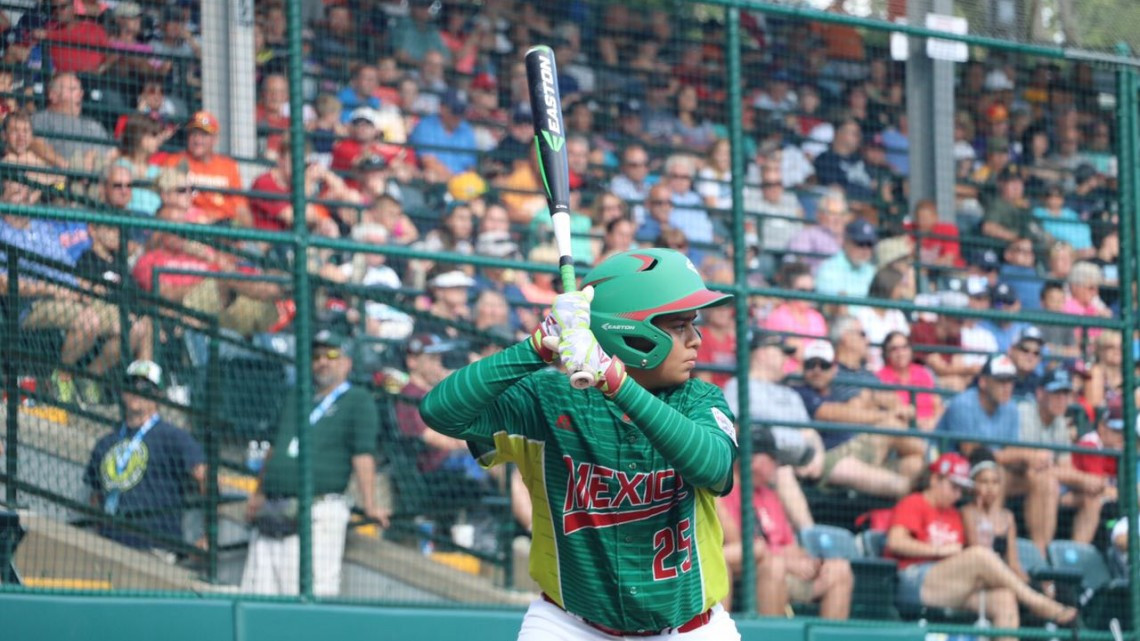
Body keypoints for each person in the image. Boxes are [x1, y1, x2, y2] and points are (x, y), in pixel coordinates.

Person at [420, 248, 742, 639]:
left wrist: (617, 382)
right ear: (632, 333)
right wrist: (538, 345)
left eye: (694, 324)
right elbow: (440, 411)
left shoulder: (700, 400)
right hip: (569, 624)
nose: (696, 340)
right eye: (678, 326)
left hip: (690, 628)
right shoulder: (547, 399)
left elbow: (713, 467)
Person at [241, 330, 388, 596]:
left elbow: (363, 455)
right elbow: (275, 448)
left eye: (332, 355)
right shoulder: (296, 396)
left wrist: (370, 504)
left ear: (347, 363)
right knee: (259, 596)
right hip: (273, 509)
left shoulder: (357, 400)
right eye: (317, 356)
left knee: (309, 593)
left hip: (319, 512)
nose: (323, 361)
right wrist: (258, 493)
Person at [885, 453, 1076, 635]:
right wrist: (938, 550)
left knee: (1004, 599)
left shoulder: (953, 514)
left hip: (950, 585)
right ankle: (1036, 602)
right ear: (935, 480)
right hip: (914, 580)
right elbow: (895, 541)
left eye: (961, 489)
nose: (958, 495)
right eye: (953, 487)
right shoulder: (914, 502)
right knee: (979, 554)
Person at [717, 429, 853, 619]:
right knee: (774, 565)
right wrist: (786, 561)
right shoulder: (724, 491)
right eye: (773, 459)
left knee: (839, 569)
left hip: (789, 574)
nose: (777, 465)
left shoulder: (770, 496)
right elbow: (744, 548)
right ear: (753, 460)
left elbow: (790, 545)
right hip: (754, 577)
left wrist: (808, 562)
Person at [84, 360, 205, 555]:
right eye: (131, 384)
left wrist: (207, 536)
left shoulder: (173, 437)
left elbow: (206, 478)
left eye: (145, 387)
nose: (137, 391)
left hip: (156, 548)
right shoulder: (106, 442)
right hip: (109, 546)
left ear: (158, 395)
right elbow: (95, 496)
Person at [161, 111, 253, 227]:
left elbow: (241, 209)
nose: (197, 139)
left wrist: (239, 227)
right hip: (189, 225)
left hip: (224, 226)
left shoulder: (229, 166)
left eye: (203, 135)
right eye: (193, 133)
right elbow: (166, 200)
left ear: (215, 139)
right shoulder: (174, 161)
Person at [961, 448, 1027, 580]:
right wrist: (980, 513)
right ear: (973, 485)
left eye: (995, 482)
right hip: (979, 576)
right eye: (984, 482)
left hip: (1005, 576)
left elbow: (1013, 563)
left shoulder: (1008, 517)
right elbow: (979, 553)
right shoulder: (967, 512)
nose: (990, 488)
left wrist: (1028, 583)